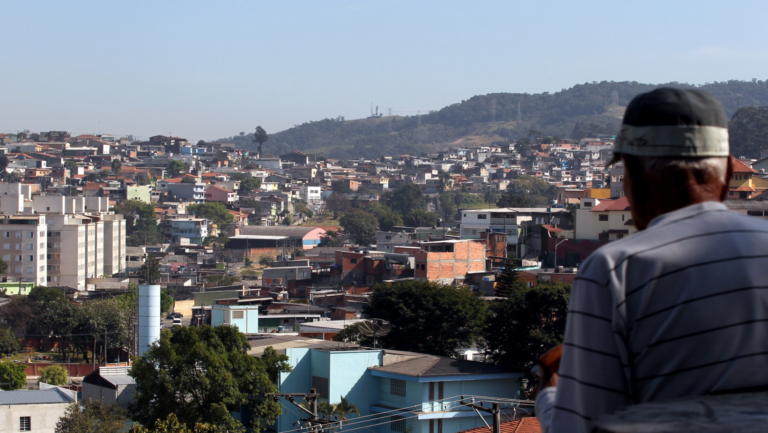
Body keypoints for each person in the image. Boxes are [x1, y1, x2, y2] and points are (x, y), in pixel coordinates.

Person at [536, 88, 768, 432]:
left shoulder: (616, 269)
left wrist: (550, 396)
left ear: (636, 176)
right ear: (722, 177)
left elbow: (582, 426)